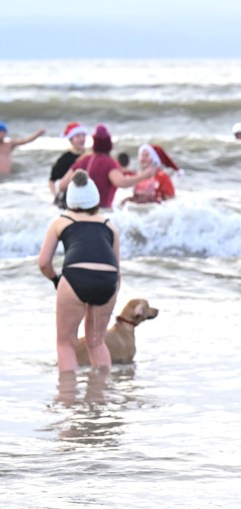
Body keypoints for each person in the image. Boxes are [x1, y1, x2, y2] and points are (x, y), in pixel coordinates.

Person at [37, 170, 121, 372]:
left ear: (70, 200)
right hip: (108, 280)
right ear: (95, 199)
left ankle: (68, 398)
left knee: (66, 344)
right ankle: (100, 397)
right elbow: (117, 270)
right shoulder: (110, 226)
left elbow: (44, 263)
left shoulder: (61, 222)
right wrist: (111, 290)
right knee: (96, 342)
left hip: (76, 276)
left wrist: (57, 280)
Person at [58, 125, 155, 211]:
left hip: (80, 213)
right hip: (102, 212)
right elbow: (121, 182)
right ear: (109, 144)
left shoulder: (84, 159)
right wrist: (145, 175)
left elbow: (62, 186)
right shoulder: (109, 162)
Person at [49, 123, 87, 208]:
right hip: (69, 198)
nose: (82, 139)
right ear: (71, 139)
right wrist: (55, 197)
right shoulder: (64, 159)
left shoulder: (90, 156)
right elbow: (51, 180)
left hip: (86, 197)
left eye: (83, 136)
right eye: (78, 136)